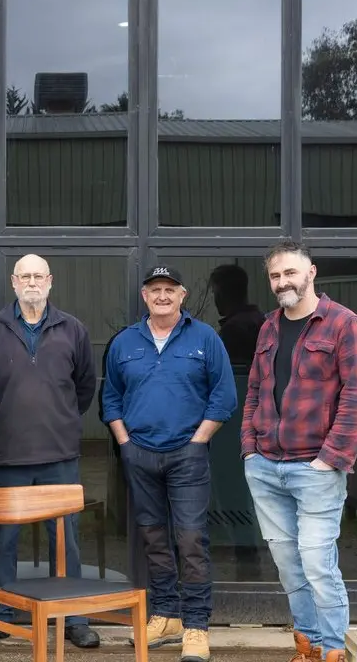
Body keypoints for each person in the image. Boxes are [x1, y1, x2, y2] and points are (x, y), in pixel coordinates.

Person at [241, 239, 357, 662]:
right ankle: (308, 646)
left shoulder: (344, 324)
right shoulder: (268, 327)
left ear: (311, 272)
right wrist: (249, 449)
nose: (283, 281)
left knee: (317, 564)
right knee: (288, 566)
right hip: (266, 467)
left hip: (316, 468)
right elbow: (255, 390)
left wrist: (329, 458)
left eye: (290, 272)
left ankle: (334, 651)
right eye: (275, 275)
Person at [102, 265, 237, 662]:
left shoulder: (205, 337)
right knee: (153, 537)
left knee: (191, 539)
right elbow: (110, 398)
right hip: (139, 454)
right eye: (155, 289)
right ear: (145, 296)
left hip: (187, 455)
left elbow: (224, 397)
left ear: (182, 295)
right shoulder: (125, 342)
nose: (162, 295)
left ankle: (196, 625)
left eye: (169, 289)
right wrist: (125, 443)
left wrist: (198, 442)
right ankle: (166, 615)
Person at [0, 254, 101, 650]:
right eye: (24, 276)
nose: (31, 282)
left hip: (59, 455)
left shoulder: (72, 329)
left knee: (66, 541)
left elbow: (84, 388)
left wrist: (58, 418)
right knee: (1, 542)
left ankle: (73, 617)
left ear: (50, 281)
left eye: (38, 276)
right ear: (13, 282)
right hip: (5, 455)